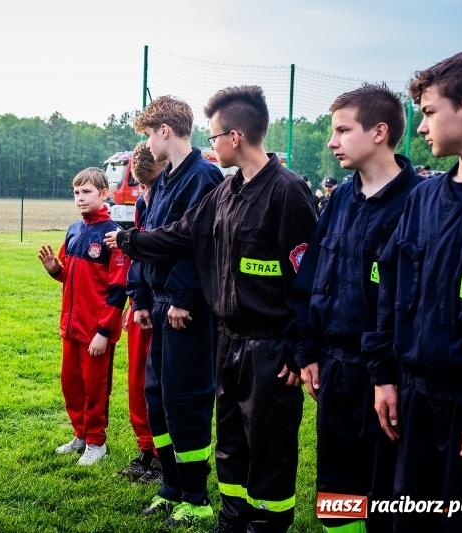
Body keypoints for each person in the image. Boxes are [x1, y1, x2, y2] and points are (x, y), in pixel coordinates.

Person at [109, 85, 316, 532]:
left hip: (269, 347)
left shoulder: (288, 193)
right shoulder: (227, 192)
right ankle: (232, 518)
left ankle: (266, 524)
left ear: (235, 137)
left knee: (268, 446)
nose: (210, 143)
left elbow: (308, 281)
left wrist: (297, 349)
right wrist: (129, 240)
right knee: (232, 443)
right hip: (229, 339)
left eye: (215, 135)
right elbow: (181, 234)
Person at [287, 84, 424, 533]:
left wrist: (388, 373)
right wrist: (306, 350)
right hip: (333, 368)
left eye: (343, 130)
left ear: (380, 131)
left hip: (389, 376)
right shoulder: (340, 199)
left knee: (386, 492)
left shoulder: (418, 204)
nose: (332, 141)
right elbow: (309, 278)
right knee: (337, 488)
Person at [363, 51, 462, 532]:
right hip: (412, 398)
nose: (421, 127)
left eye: (430, 112)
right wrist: (384, 375)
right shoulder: (424, 198)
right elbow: (391, 293)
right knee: (408, 516)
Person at [118, 95, 222, 529]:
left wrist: (183, 296)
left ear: (165, 130)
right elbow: (151, 240)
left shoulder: (204, 176)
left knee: (187, 401)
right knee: (157, 398)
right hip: (159, 306)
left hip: (186, 310)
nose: (146, 144)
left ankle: (196, 496)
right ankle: (171, 487)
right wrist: (141, 299)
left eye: (147, 133)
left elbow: (201, 246)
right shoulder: (162, 181)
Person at [38, 167, 129, 466]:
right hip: (71, 326)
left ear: (104, 194)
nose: (80, 198)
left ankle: (96, 442)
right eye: (77, 192)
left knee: (95, 387)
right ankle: (80, 435)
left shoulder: (112, 235)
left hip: (95, 331)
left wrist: (104, 331)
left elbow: (118, 290)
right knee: (71, 383)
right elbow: (69, 277)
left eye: (87, 192)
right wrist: (55, 269)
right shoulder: (74, 230)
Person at [114, 141, 166, 484]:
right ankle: (145, 449)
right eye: (142, 186)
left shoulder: (177, 197)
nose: (145, 192)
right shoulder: (145, 203)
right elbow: (136, 256)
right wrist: (135, 299)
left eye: (151, 185)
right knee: (137, 382)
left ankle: (164, 458)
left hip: (167, 304)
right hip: (143, 304)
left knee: (159, 384)